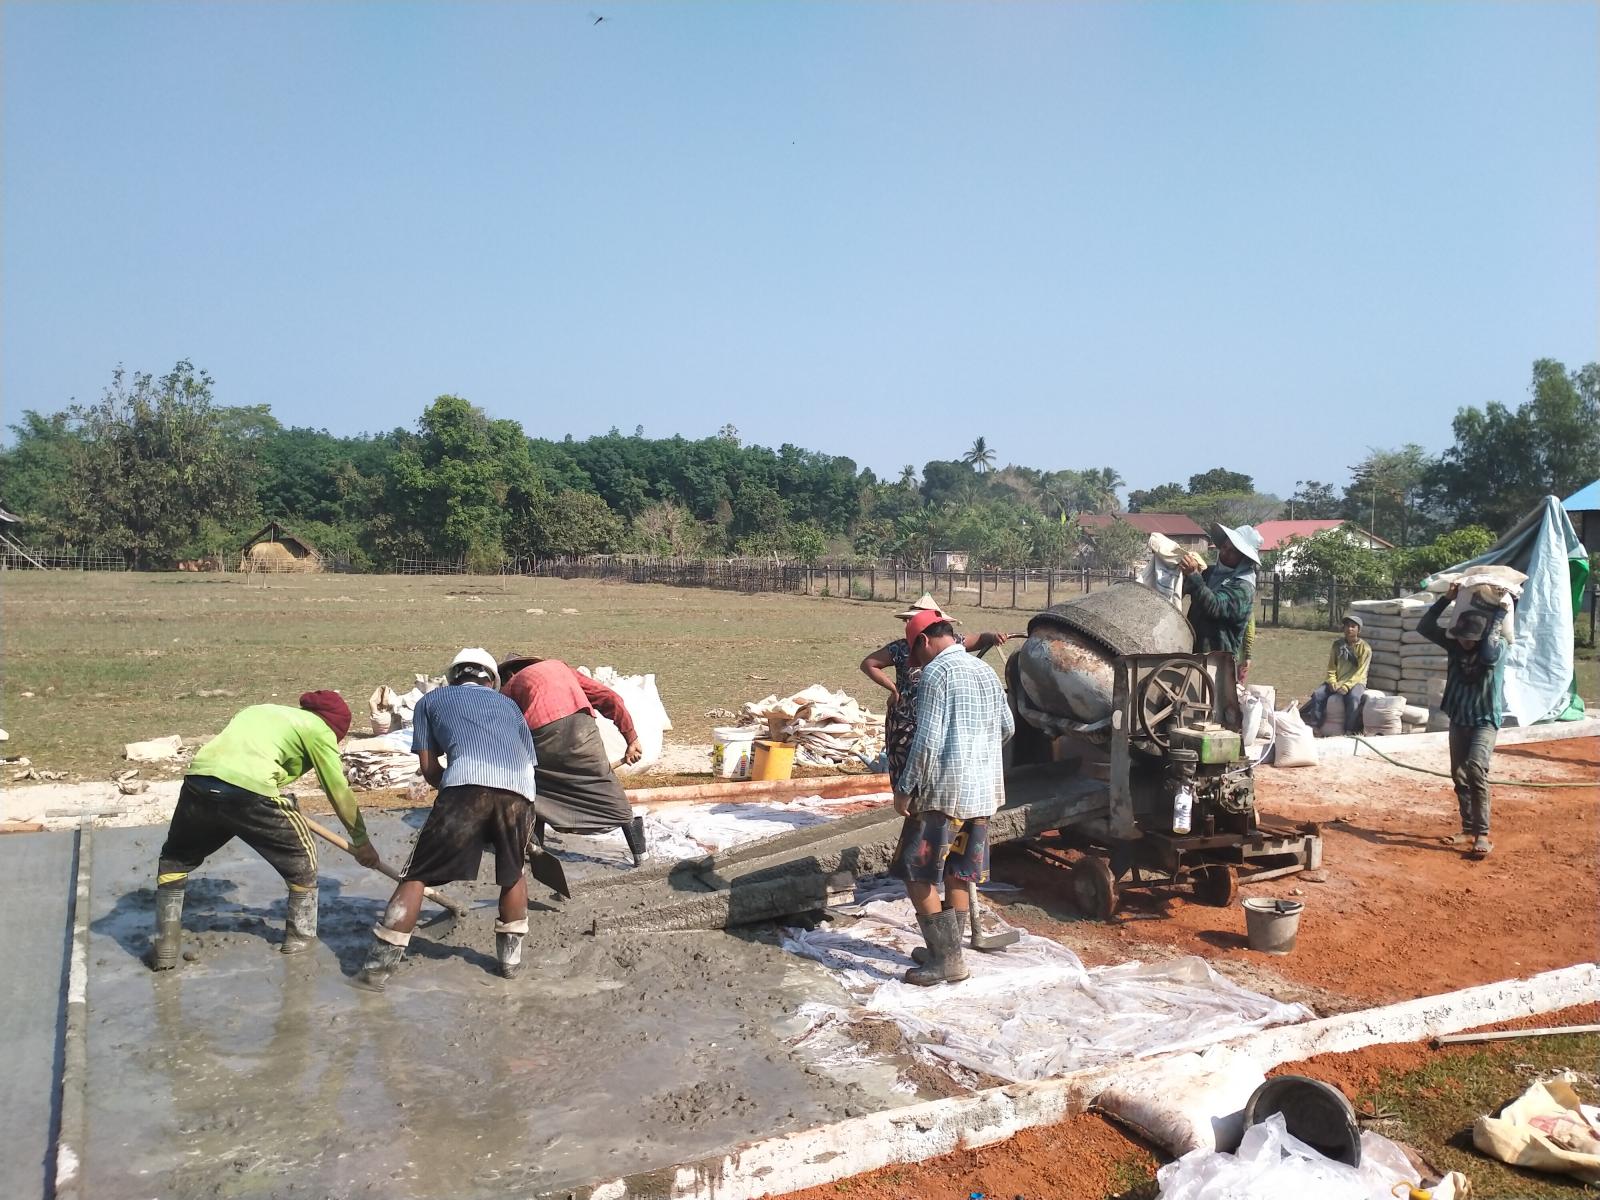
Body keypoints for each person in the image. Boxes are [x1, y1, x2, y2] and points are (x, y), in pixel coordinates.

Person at [151, 690, 378, 970]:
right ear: (335, 727)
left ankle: (165, 944)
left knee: (175, 859)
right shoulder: (320, 730)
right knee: (301, 859)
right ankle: (300, 940)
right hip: (248, 790)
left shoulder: (260, 711)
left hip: (199, 781)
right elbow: (338, 790)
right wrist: (361, 840)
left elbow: (245, 753)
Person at [356, 648, 541, 988]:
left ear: (454, 677)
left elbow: (429, 769)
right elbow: (528, 764)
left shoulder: (431, 701)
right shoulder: (510, 706)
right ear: (491, 680)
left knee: (417, 875)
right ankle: (510, 965)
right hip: (521, 793)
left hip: (464, 784)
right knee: (513, 872)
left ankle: (376, 971)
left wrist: (464, 801)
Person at [890, 608, 1014, 987]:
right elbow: (1007, 727)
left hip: (943, 795)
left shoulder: (936, 673)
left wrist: (905, 788)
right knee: (958, 872)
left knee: (916, 872)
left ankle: (947, 960)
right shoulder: (985, 670)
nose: (917, 661)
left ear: (924, 641)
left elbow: (927, 741)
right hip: (982, 794)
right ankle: (947, 952)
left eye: (916, 652)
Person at [497, 654, 647, 866]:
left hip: (542, 735)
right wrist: (631, 738)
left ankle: (536, 850)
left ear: (509, 673)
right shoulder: (561, 668)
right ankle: (640, 854)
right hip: (582, 730)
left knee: (535, 790)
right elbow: (609, 698)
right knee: (605, 784)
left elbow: (503, 728)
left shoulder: (511, 685)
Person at [860, 593, 1009, 791]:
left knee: (932, 778)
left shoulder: (954, 643)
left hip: (937, 718)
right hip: (906, 722)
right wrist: (893, 689)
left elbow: (980, 639)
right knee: (907, 774)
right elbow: (869, 664)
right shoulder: (900, 648)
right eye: (909, 622)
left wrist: (992, 637)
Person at [1418, 583, 1508, 858]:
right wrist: (1446, 599)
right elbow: (1425, 626)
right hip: (1459, 717)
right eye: (1461, 637)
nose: (1464, 642)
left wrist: (1500, 614)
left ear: (1482, 636)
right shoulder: (1455, 645)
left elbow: (1489, 654)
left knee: (1475, 768)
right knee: (1458, 773)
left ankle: (1482, 834)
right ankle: (1468, 828)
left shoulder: (1496, 648)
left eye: (1470, 638)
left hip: (1484, 720)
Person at [1179, 522, 1262, 669]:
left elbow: (1215, 606)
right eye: (1224, 547)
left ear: (1244, 558)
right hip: (1193, 653)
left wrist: (1193, 575)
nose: (1225, 553)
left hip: (1218, 663)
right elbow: (1183, 590)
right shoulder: (1209, 573)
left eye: (1233, 551)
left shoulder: (1243, 587)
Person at [1301, 615, 1372, 735]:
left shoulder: (1365, 648)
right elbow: (1331, 667)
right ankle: (1315, 726)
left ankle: (1349, 729)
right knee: (1318, 694)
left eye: (1353, 627)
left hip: (1356, 682)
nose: (1349, 629)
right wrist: (1332, 681)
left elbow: (1361, 672)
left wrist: (1346, 686)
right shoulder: (1337, 645)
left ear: (1359, 630)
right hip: (1337, 680)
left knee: (1353, 699)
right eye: (1347, 626)